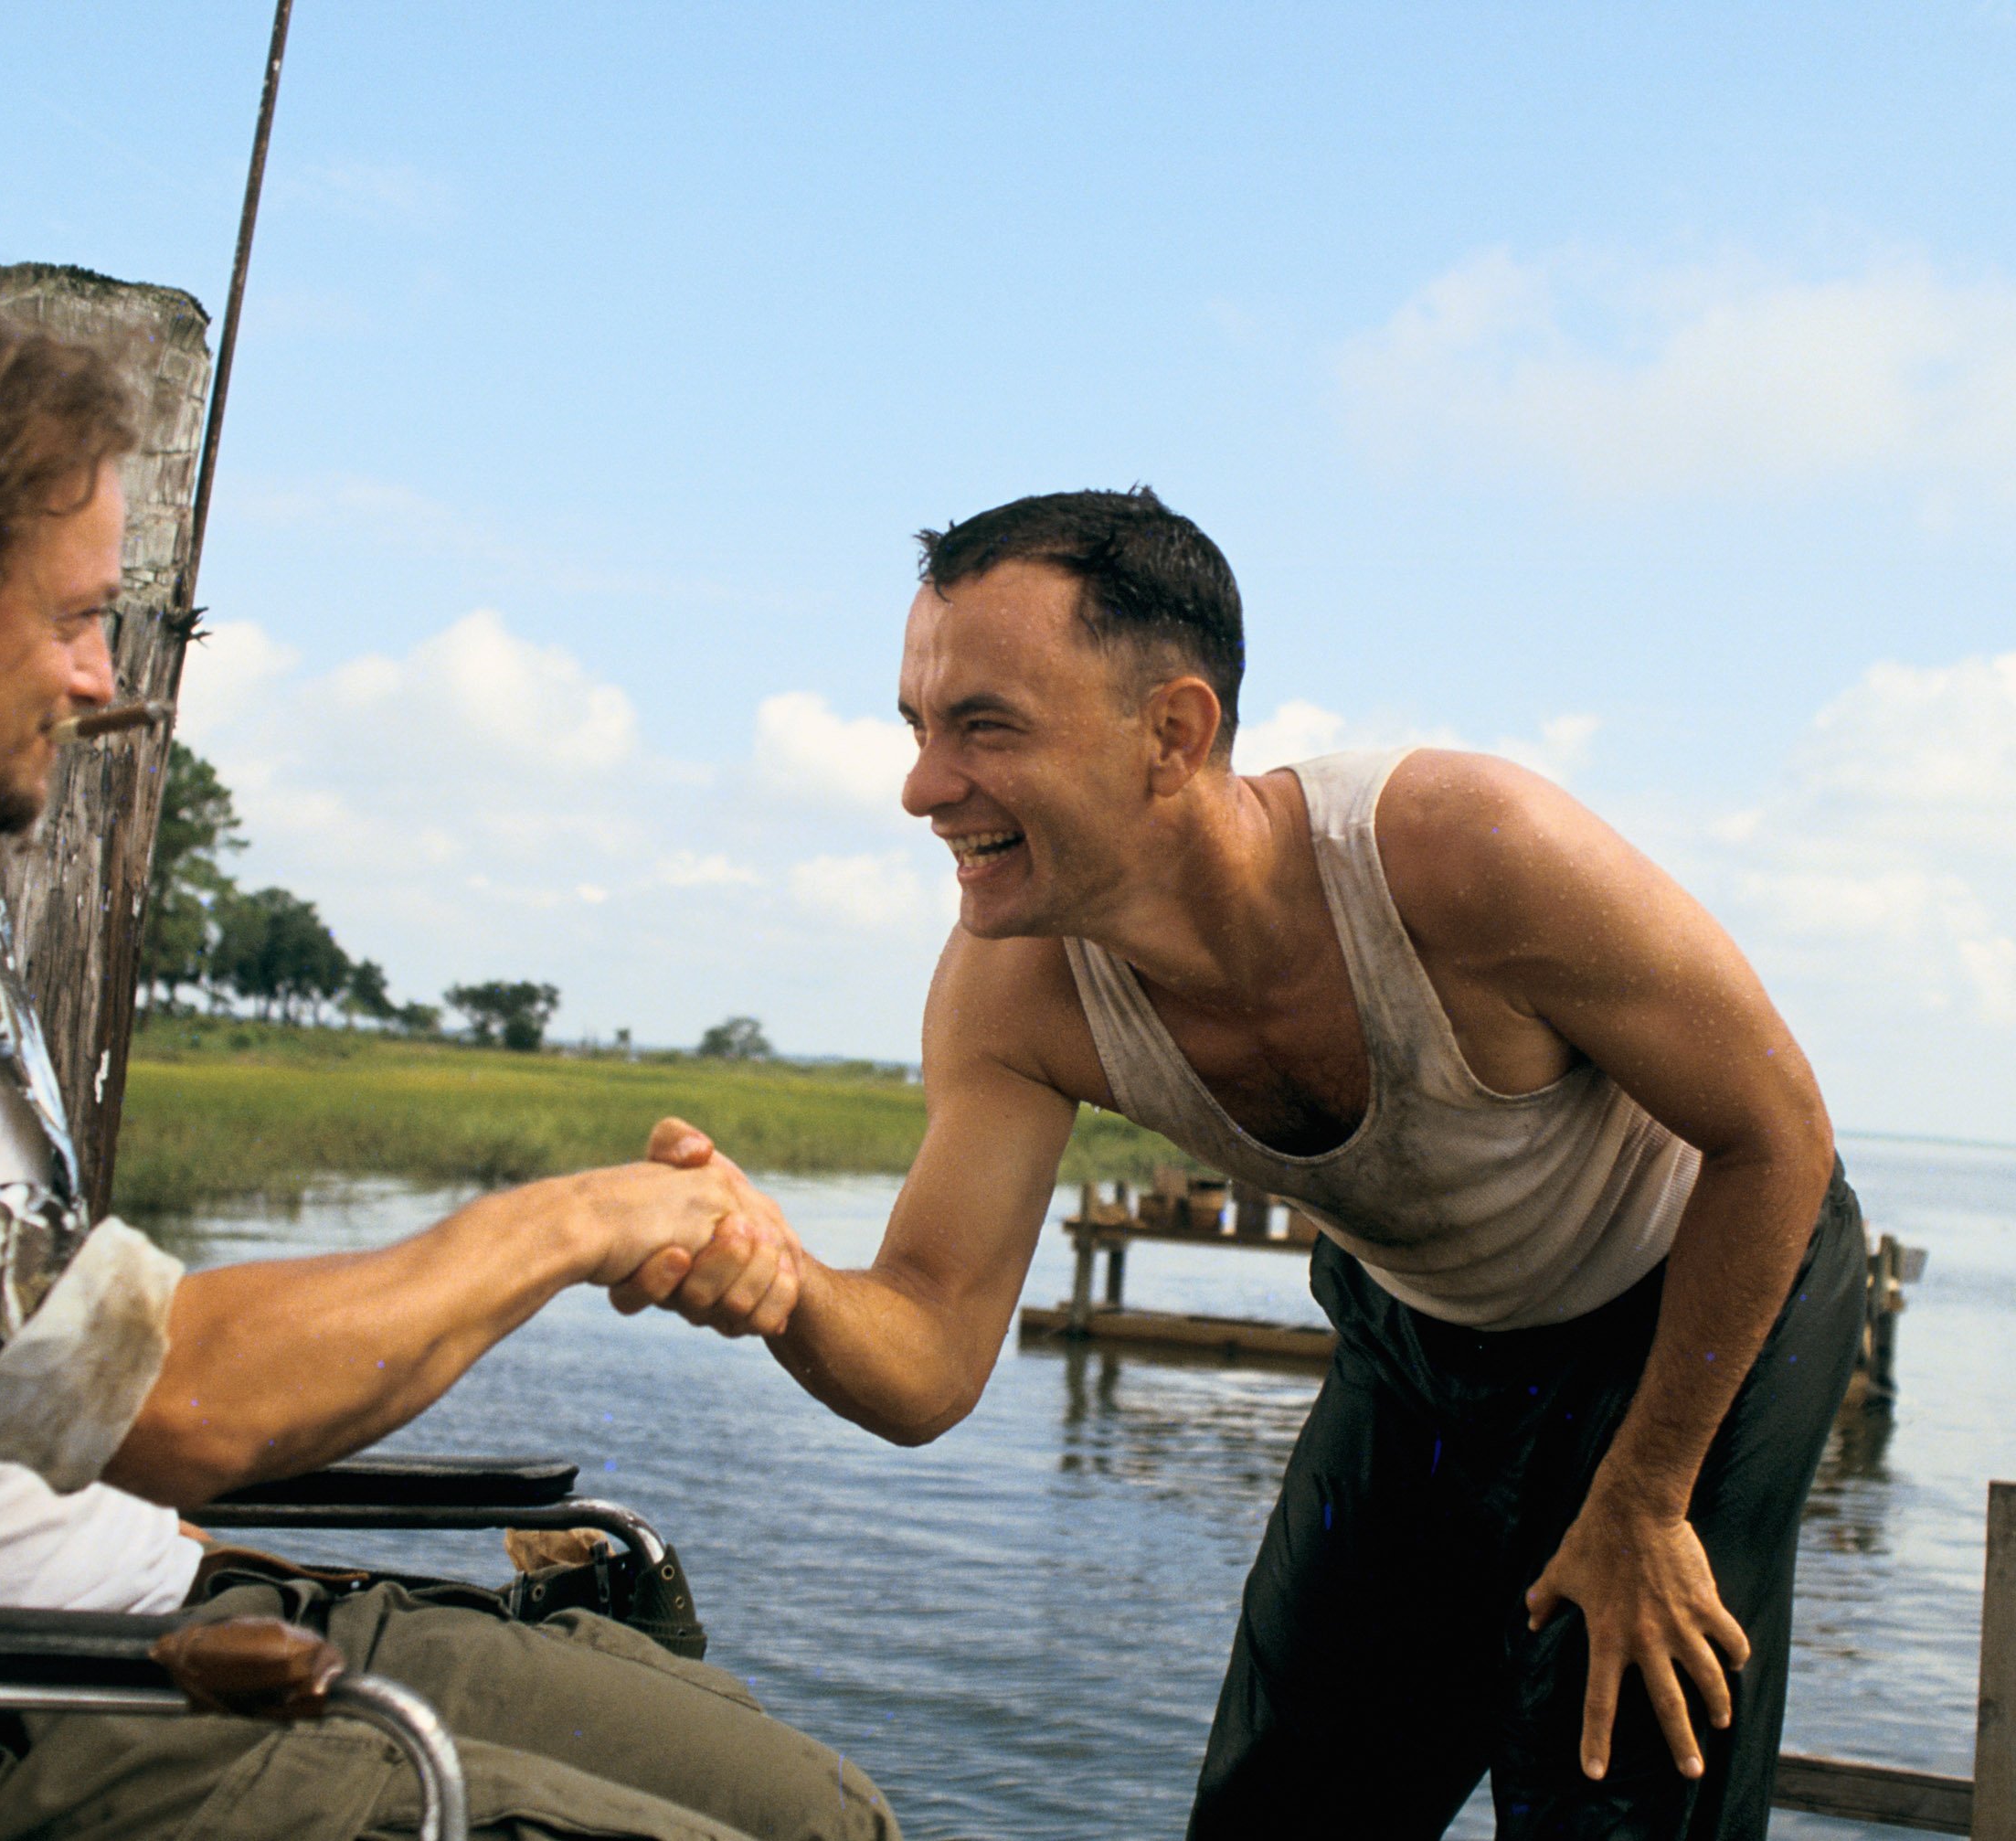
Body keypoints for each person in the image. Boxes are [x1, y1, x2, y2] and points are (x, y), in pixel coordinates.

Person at [0, 271, 888, 1841]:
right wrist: (586, 1218)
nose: (103, 678)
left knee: (821, 1813)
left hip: (166, 1600)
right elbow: (180, 1395)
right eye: (70, 619)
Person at [619, 488, 1866, 1838]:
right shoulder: (1013, 994)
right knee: (1282, 1810)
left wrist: (1646, 1491)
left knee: (1613, 1779)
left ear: (1173, 732)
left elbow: (1778, 1133)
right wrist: (784, 1282)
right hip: (1423, 1331)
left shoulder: (1461, 850)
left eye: (986, 726)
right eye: (918, 727)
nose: (922, 787)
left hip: (1694, 1296)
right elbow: (928, 1353)